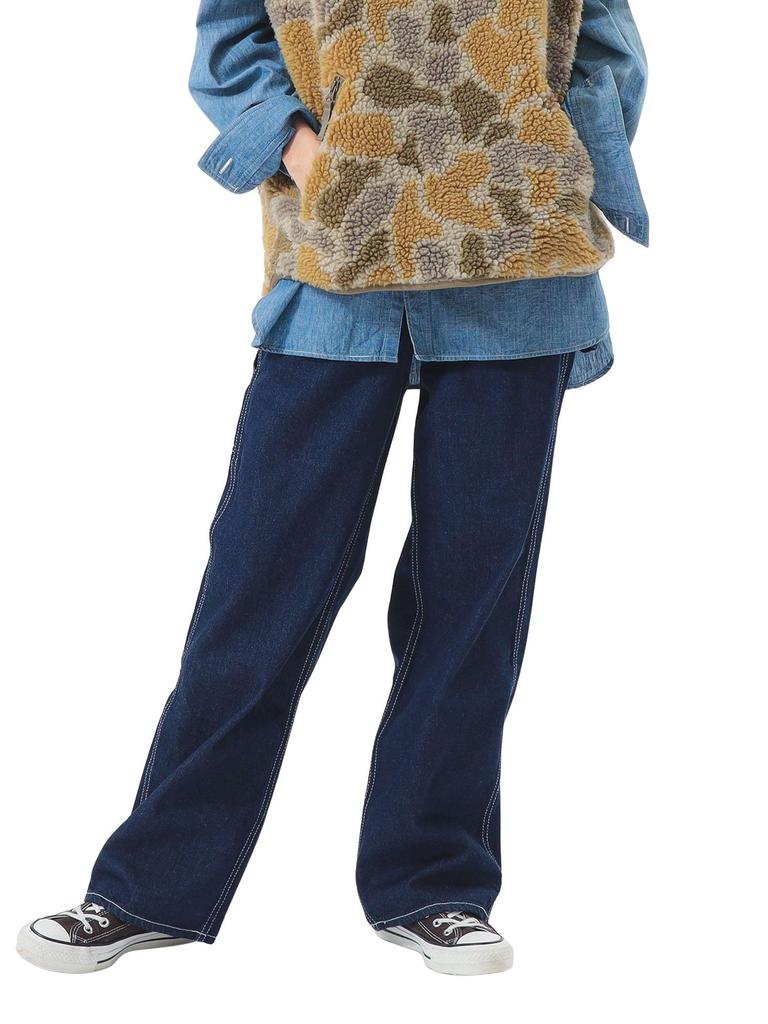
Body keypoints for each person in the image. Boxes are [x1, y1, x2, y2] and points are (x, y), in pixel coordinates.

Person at [16, 0, 648, 976]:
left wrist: (542, 162)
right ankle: (149, 886)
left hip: (522, 268)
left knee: (470, 595)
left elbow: (605, 48)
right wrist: (307, 153)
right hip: (334, 265)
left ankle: (436, 884)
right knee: (258, 588)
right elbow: (232, 37)